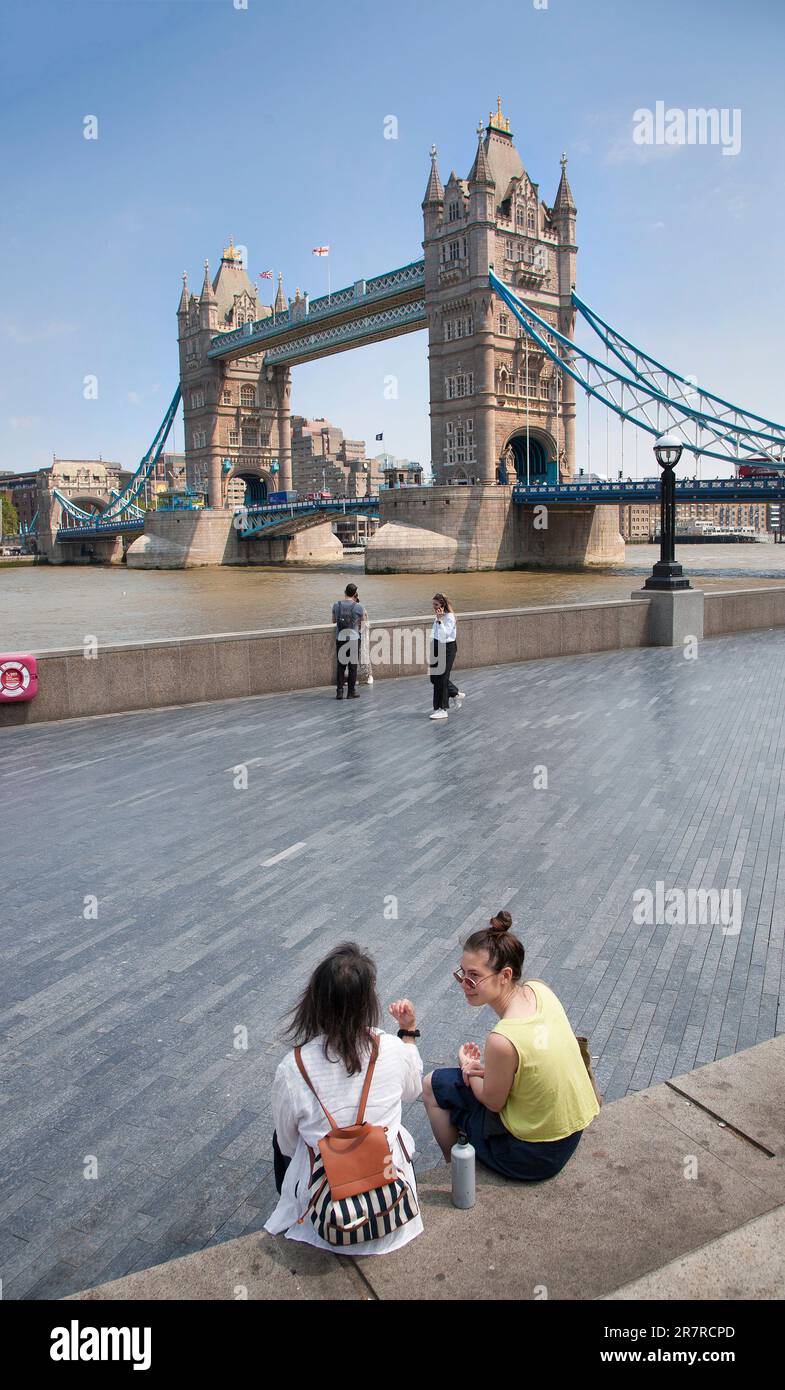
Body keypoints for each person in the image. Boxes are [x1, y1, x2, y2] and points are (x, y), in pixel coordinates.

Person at [265, 942, 424, 1255]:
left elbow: (287, 1145)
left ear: (315, 1002)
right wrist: (408, 1033)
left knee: (282, 1139)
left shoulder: (293, 1068)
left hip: (326, 1220)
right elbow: (414, 1088)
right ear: (368, 1002)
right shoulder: (391, 1048)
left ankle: (295, 1208)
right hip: (392, 1207)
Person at [422, 912, 600, 1180]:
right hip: (570, 1134)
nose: (464, 985)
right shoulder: (540, 990)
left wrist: (469, 1070)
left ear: (504, 975)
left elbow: (493, 1103)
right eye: (462, 974)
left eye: (473, 976)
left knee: (432, 1086)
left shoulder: (502, 1039)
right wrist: (488, 1070)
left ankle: (455, 1171)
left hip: (532, 1156)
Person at [429, 592, 465, 721]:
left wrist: (439, 620)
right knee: (434, 678)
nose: (433, 606)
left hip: (447, 648)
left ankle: (442, 709)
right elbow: (436, 633)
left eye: (436, 604)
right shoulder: (439, 616)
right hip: (436, 646)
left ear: (442, 604)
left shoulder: (449, 617)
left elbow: (445, 635)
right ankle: (455, 694)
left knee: (442, 679)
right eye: (433, 604)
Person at [332, 582, 365, 699]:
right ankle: (351, 692)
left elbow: (333, 621)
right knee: (352, 667)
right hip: (354, 640)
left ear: (345, 592)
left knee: (341, 666)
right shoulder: (358, 607)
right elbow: (364, 621)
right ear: (355, 594)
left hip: (340, 638)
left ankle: (339, 692)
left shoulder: (336, 605)